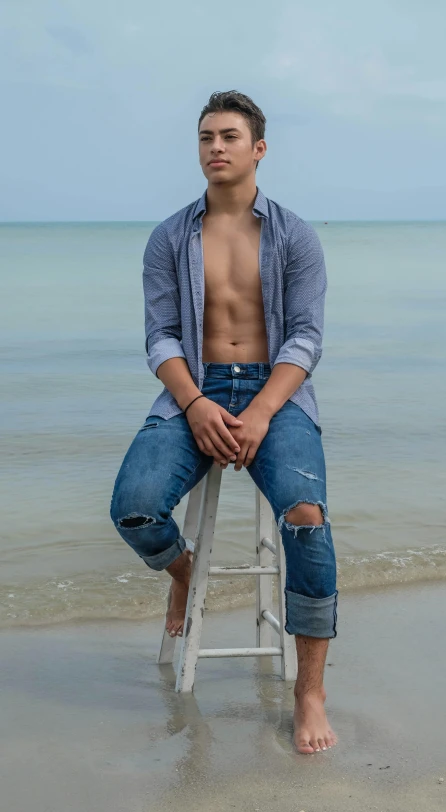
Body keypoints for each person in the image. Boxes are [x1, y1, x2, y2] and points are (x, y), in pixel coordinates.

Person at [110, 90, 338, 755]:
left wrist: (263, 410)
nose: (216, 147)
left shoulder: (294, 235)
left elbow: (305, 339)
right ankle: (184, 574)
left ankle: (310, 692)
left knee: (307, 517)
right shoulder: (169, 237)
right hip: (196, 390)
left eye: (230, 136)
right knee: (135, 507)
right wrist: (196, 404)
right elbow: (160, 339)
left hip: (276, 391)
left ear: (258, 149)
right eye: (207, 136)